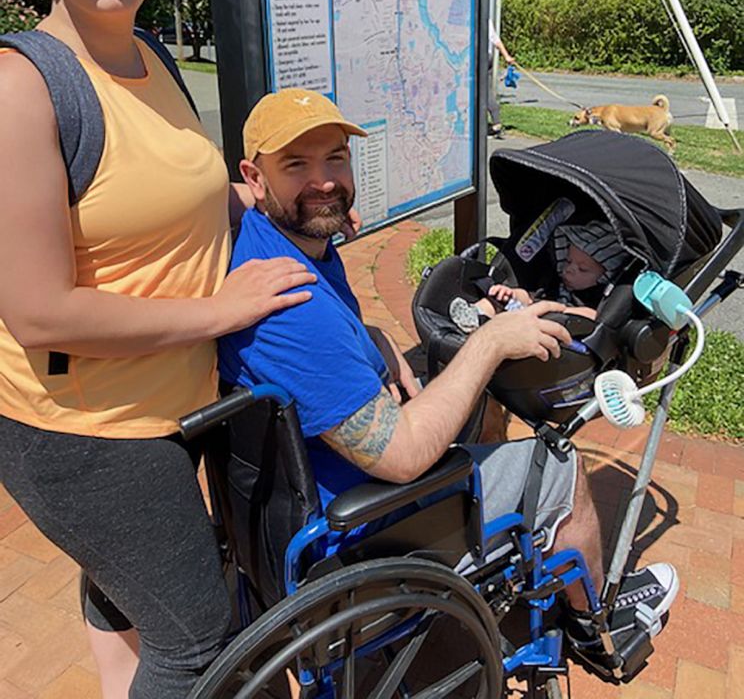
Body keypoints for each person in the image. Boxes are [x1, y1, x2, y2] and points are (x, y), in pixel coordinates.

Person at [0, 0, 319, 699]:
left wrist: (271, 211)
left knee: (129, 584)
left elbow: (184, 195)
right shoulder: (24, 88)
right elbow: (37, 311)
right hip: (87, 430)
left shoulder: (157, 58)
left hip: (180, 402)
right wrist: (221, 312)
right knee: (198, 642)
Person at [219, 87, 679, 659]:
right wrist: (488, 342)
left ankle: (500, 525)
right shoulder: (295, 310)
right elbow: (404, 455)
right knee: (559, 463)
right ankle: (596, 629)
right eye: (296, 165)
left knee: (457, 387)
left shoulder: (272, 242)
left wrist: (373, 337)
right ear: (254, 178)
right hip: (363, 529)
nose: (325, 181)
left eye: (334, 158)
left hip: (294, 495)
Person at [449, 219, 626, 331]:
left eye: (583, 269)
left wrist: (561, 311)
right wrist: (512, 294)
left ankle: (485, 325)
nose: (570, 269)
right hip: (530, 313)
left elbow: (595, 317)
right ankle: (475, 315)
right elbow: (532, 297)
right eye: (568, 261)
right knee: (502, 299)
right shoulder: (557, 281)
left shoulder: (599, 297)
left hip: (556, 330)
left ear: (604, 275)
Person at [488, 18, 515, 138]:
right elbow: (495, 39)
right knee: (485, 91)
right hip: (488, 56)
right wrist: (507, 56)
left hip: (476, 56)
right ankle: (496, 122)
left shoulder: (467, 16)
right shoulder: (485, 18)